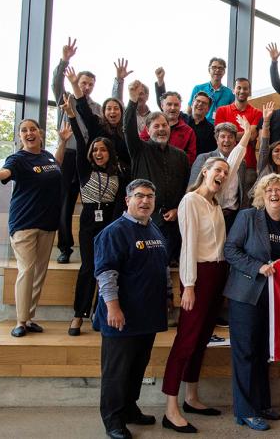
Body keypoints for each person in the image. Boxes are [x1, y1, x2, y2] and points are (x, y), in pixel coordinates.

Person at [0, 119, 71, 337]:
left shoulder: (46, 156)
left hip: (48, 224)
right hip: (24, 224)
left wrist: (62, 143)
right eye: (24, 131)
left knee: (39, 273)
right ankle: (21, 321)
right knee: (27, 270)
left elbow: (56, 165)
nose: (29, 133)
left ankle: (29, 318)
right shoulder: (18, 159)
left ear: (40, 133)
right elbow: (3, 172)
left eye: (32, 129)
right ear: (20, 136)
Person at [224, 174, 280, 431]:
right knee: (245, 352)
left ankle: (261, 404)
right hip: (246, 296)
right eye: (269, 189)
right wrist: (258, 267)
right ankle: (245, 411)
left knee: (262, 353)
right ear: (261, 194)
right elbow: (231, 250)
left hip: (273, 298)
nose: (274, 193)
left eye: (279, 189)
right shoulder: (248, 217)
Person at [93, 179, 170, 439]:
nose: (145, 201)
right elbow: (106, 274)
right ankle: (113, 419)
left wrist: (168, 299)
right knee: (117, 371)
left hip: (147, 316)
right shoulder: (114, 232)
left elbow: (162, 270)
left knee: (137, 366)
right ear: (128, 200)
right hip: (121, 318)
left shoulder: (155, 231)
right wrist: (113, 308)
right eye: (139, 196)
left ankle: (129, 408)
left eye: (149, 196)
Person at [161, 158, 232, 433]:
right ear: (204, 172)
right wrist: (188, 285)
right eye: (218, 170)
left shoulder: (215, 202)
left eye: (225, 173)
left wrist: (248, 136)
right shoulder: (191, 200)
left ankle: (191, 397)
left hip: (218, 273)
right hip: (198, 276)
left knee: (202, 339)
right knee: (186, 340)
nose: (223, 175)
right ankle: (171, 408)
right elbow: (188, 245)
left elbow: (233, 164)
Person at [60, 90, 126, 337]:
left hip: (111, 222)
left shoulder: (118, 174)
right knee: (88, 267)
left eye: (103, 150)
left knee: (109, 268)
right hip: (89, 221)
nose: (99, 153)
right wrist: (71, 114)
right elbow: (79, 136)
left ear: (110, 153)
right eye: (95, 150)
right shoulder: (84, 169)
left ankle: (102, 312)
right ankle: (78, 315)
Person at [51, 37, 102, 264]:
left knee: (92, 203)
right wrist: (64, 61)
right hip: (67, 156)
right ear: (76, 82)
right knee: (64, 202)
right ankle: (65, 247)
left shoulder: (95, 107)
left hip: (88, 159)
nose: (87, 87)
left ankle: (92, 244)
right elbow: (55, 84)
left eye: (90, 84)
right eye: (83, 83)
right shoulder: (65, 99)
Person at [124, 97, 190, 268]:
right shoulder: (139, 150)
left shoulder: (181, 156)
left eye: (164, 125)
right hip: (144, 220)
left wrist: (178, 209)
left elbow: (186, 187)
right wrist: (132, 101)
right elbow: (128, 128)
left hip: (172, 224)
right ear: (147, 129)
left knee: (165, 268)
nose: (161, 129)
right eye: (156, 126)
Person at [189, 120, 253, 231]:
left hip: (233, 217)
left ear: (235, 141)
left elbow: (241, 192)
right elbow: (193, 187)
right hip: (208, 215)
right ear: (216, 139)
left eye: (230, 137)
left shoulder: (241, 164)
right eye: (222, 136)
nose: (226, 140)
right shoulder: (204, 158)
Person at [213, 77, 262, 207]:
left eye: (245, 88)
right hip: (223, 164)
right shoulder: (222, 111)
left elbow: (251, 136)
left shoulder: (257, 113)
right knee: (219, 202)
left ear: (249, 91)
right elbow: (219, 135)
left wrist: (231, 134)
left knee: (245, 205)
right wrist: (245, 133)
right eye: (239, 88)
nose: (242, 91)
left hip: (248, 166)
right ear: (234, 90)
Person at [155, 57, 235, 121]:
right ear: (209, 70)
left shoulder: (229, 93)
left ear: (224, 72)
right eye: (214, 67)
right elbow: (189, 111)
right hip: (199, 126)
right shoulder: (198, 88)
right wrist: (160, 81)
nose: (217, 70)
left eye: (220, 68)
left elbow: (231, 115)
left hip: (219, 131)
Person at [139, 92, 197, 165]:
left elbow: (191, 157)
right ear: (162, 106)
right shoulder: (151, 126)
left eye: (176, 105)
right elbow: (140, 146)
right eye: (169, 104)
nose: (172, 108)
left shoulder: (188, 131)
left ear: (180, 107)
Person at [186, 91, 217, 156]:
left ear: (208, 109)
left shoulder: (212, 130)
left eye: (204, 103)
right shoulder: (182, 119)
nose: (200, 104)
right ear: (192, 104)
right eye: (198, 101)